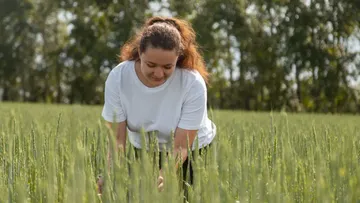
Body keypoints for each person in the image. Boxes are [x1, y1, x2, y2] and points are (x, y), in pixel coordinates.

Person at [98, 16, 217, 199]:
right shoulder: (118, 78)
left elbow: (181, 146)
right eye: (151, 65)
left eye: (168, 66)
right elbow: (117, 140)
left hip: (193, 152)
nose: (159, 74)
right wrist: (110, 171)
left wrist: (165, 173)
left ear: (178, 58)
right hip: (145, 149)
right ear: (140, 52)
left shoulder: (192, 83)